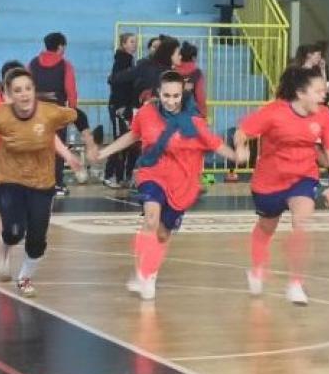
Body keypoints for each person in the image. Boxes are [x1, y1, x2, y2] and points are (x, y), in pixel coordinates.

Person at [97, 71, 243, 300]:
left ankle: (148, 271)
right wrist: (104, 152)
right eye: (166, 95)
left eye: (176, 96)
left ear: (182, 94)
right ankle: (144, 275)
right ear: (158, 92)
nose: (171, 101)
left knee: (163, 234)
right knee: (151, 219)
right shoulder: (146, 113)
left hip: (182, 182)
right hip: (152, 173)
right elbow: (133, 136)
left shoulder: (194, 122)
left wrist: (236, 156)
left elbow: (215, 144)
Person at [234, 65, 329, 305]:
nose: (324, 95)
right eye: (318, 91)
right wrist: (241, 148)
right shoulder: (274, 112)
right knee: (266, 227)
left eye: (324, 90)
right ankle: (257, 269)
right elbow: (242, 132)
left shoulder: (324, 115)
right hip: (269, 181)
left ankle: (296, 283)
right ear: (300, 93)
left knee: (302, 223)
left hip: (303, 177)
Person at [0, 68, 85, 297]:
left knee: (37, 237)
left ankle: (25, 277)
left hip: (41, 182)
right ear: (9, 95)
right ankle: (4, 250)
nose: (24, 94)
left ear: (34, 91)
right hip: (9, 180)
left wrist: (82, 146)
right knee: (14, 231)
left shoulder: (49, 113)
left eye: (28, 88)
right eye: (18, 90)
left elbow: (79, 116)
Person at [0, 61, 82, 236]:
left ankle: (9, 236)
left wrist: (67, 155)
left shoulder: (33, 108)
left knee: (17, 221)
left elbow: (48, 134)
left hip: (16, 174)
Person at [29, 32, 79, 196]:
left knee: (36, 146)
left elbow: (27, 86)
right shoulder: (65, 65)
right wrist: (72, 111)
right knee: (58, 148)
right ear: (60, 47)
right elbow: (71, 91)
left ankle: (35, 182)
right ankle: (56, 183)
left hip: (36, 112)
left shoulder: (32, 63)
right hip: (57, 113)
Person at [105, 32, 139, 189]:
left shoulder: (130, 60)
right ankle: (110, 175)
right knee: (120, 141)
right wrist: (120, 106)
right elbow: (117, 83)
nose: (135, 44)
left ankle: (123, 176)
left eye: (135, 41)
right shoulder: (122, 60)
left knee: (129, 142)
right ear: (123, 44)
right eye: (131, 42)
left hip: (127, 107)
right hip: (120, 107)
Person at [174, 41, 206, 117]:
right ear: (194, 57)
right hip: (190, 112)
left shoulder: (173, 70)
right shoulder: (197, 73)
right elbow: (199, 94)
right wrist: (203, 112)